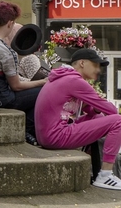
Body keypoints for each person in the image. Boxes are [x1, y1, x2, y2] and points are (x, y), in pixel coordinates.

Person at [35, 48, 121, 191]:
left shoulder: (66, 78)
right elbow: (112, 111)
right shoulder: (74, 81)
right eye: (95, 65)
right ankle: (105, 174)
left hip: (48, 135)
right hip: (56, 135)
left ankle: (95, 169)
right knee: (118, 121)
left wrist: (94, 106)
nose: (98, 70)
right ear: (82, 63)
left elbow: (91, 111)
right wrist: (99, 102)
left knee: (97, 116)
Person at [0, 1, 47, 143]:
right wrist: (43, 82)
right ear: (10, 23)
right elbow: (16, 86)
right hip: (0, 99)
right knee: (44, 92)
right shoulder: (6, 52)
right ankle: (27, 131)